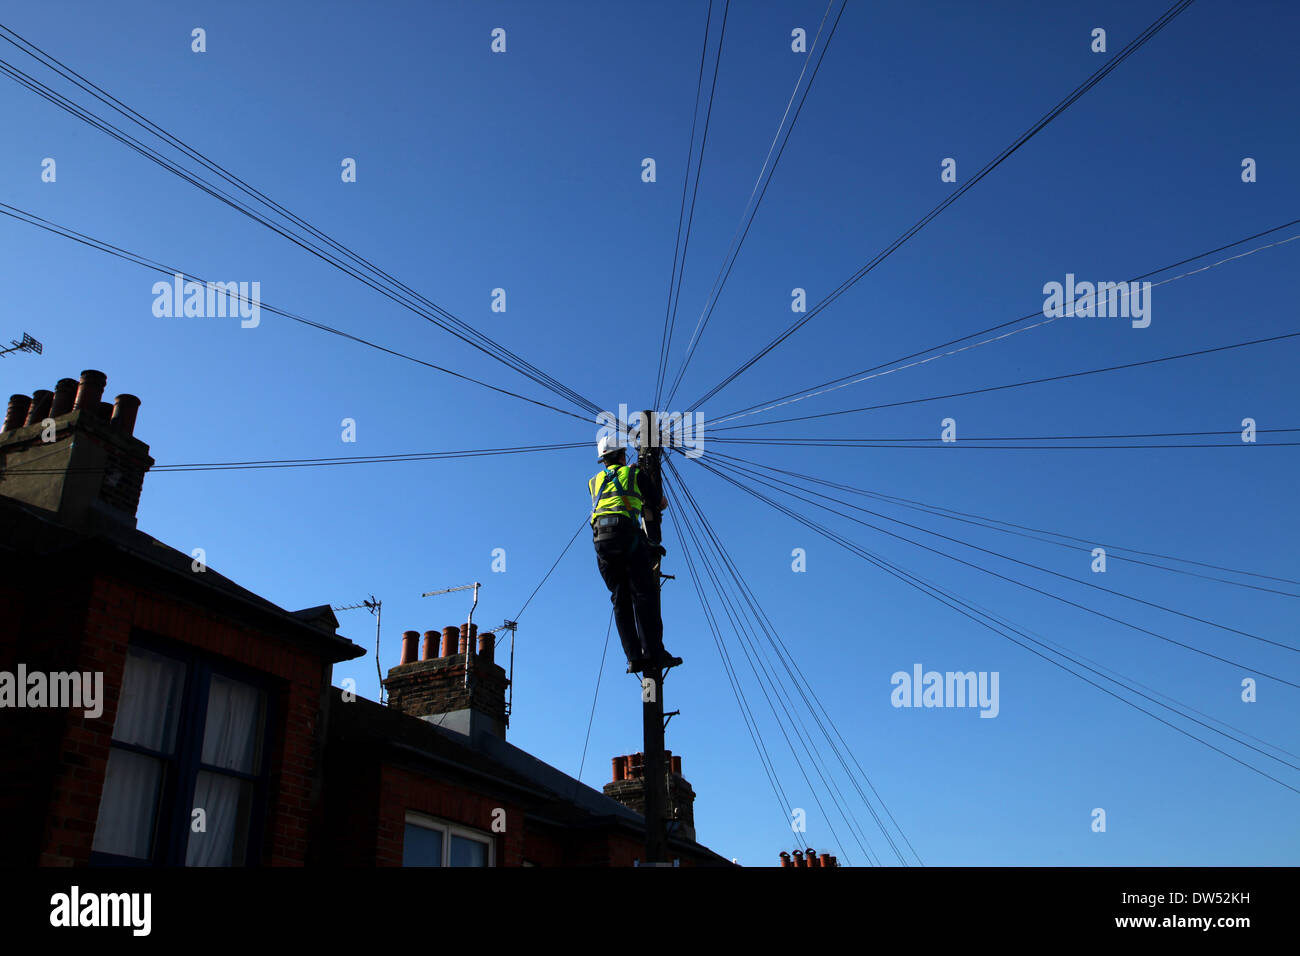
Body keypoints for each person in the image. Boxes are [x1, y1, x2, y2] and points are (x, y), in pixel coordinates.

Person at [588, 434, 682, 673]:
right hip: (626, 538)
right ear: (622, 454)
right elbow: (660, 503)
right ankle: (655, 653)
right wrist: (640, 476)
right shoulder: (634, 474)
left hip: (602, 545)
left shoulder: (594, 482)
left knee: (620, 599)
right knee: (644, 595)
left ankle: (634, 658)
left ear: (603, 461)